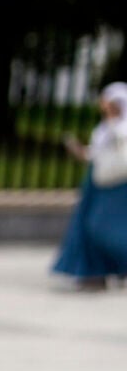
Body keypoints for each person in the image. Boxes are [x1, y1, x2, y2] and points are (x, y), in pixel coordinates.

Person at [55, 82, 127, 288]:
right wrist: (79, 151)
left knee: (103, 228)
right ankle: (94, 272)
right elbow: (96, 154)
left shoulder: (121, 127)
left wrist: (113, 122)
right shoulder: (103, 128)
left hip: (119, 188)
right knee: (87, 228)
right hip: (97, 184)